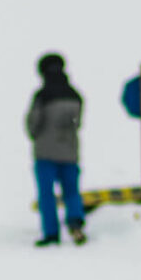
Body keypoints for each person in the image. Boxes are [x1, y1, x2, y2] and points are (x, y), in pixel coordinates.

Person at [28, 52, 87, 247]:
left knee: (47, 195)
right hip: (70, 151)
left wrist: (38, 135)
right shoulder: (75, 95)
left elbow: (33, 123)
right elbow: (77, 123)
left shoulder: (42, 95)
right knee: (72, 191)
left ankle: (51, 233)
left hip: (45, 152)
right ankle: (75, 223)